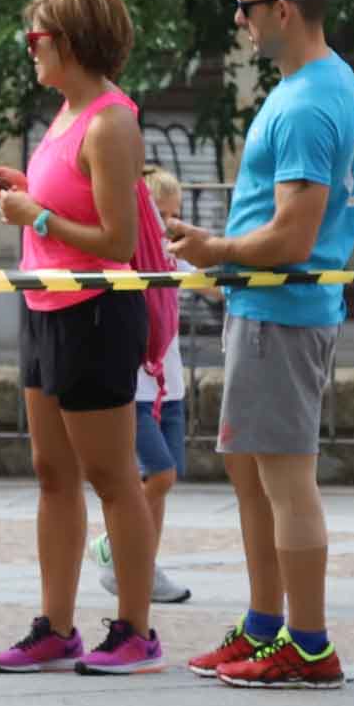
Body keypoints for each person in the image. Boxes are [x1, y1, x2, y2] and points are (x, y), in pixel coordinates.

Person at [168, 0, 354, 689]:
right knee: (253, 476)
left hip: (282, 308)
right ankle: (265, 625)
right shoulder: (323, 84)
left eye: (246, 7)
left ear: (282, 9)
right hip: (268, 306)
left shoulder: (311, 101)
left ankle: (309, 645)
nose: (240, 21)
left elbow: (295, 233)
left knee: (285, 481)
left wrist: (214, 249)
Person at [0, 0, 162, 674]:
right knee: (52, 473)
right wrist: (25, 194)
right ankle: (55, 625)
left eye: (39, 38)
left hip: (94, 311)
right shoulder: (63, 115)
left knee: (112, 476)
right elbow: (63, 209)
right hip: (45, 306)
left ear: (74, 41)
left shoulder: (112, 121)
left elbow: (116, 240)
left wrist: (39, 217)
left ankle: (136, 631)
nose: (31, 50)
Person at [93, 164, 193, 608]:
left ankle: (145, 564)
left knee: (164, 482)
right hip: (136, 386)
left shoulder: (176, 252)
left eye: (177, 214)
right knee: (158, 474)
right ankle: (116, 548)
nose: (171, 223)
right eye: (163, 214)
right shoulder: (132, 254)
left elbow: (211, 283)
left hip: (170, 384)